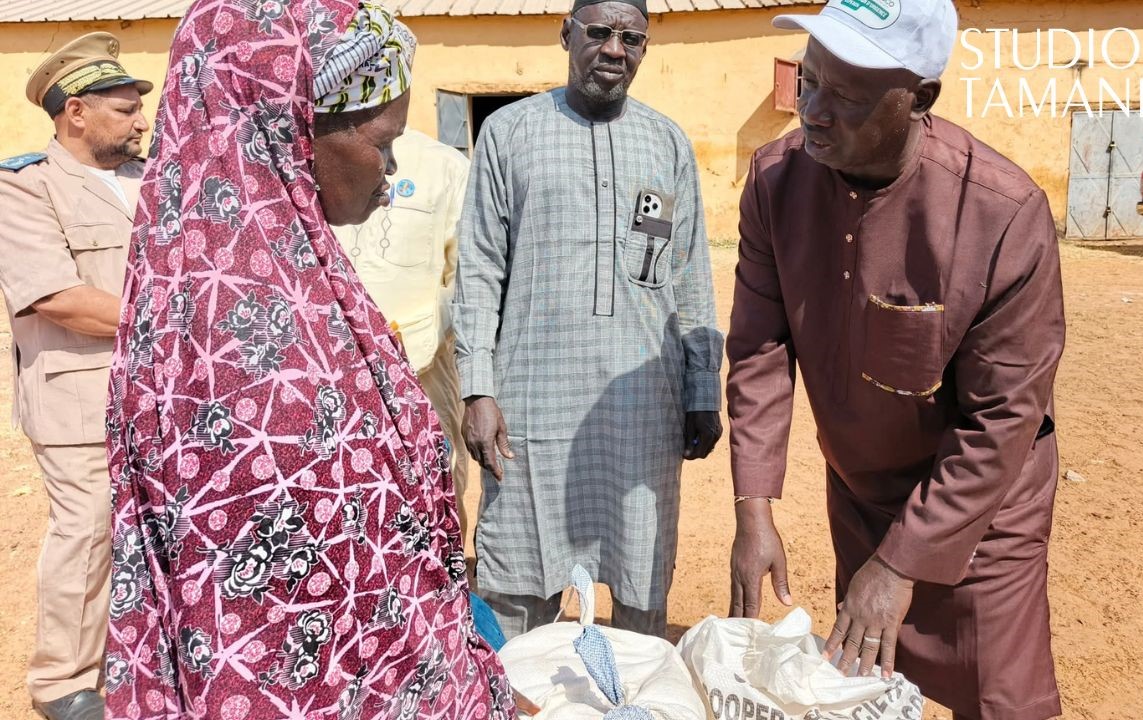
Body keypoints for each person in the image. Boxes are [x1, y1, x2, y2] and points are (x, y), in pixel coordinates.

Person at [101, 2, 515, 718]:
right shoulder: (235, 335)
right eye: (382, 143)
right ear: (290, 130)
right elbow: (265, 637)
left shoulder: (280, 271)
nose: (390, 172)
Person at [725, 1, 1065, 718]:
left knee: (999, 693)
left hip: (983, 511)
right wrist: (754, 509)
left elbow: (1003, 419)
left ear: (921, 100)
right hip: (862, 494)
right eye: (808, 82)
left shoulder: (1002, 215)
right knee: (872, 686)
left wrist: (904, 561)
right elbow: (758, 349)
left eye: (846, 96)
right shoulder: (775, 181)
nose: (814, 111)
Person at [454, 0, 723, 640]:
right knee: (517, 585)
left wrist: (701, 390)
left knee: (641, 578)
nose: (613, 49)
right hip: (529, 403)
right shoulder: (510, 133)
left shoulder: (666, 142)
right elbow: (480, 266)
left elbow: (687, 274)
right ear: (566, 35)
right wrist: (478, 387)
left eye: (631, 37)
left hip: (640, 406)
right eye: (598, 32)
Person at [0, 31, 151, 720]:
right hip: (77, 397)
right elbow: (56, 296)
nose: (141, 121)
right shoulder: (21, 188)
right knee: (89, 533)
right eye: (124, 109)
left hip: (162, 395)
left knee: (157, 532)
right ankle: (63, 682)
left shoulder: (150, 181)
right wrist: (177, 323)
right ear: (76, 112)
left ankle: (142, 658)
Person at [333, 130, 473, 532]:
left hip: (424, 370)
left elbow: (463, 278)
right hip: (334, 370)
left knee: (434, 493)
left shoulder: (444, 166)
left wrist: (415, 342)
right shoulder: (314, 150)